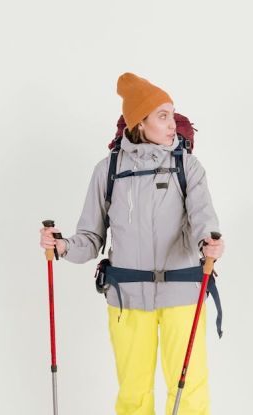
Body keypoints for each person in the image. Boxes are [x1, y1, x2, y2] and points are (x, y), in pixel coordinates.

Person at [41, 72, 224, 415]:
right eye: (162, 116)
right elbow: (90, 238)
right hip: (127, 298)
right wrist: (63, 246)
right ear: (140, 121)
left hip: (182, 294)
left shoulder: (188, 166)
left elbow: (204, 218)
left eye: (172, 114)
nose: (172, 124)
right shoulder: (108, 170)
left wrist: (209, 242)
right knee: (133, 394)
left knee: (189, 393)